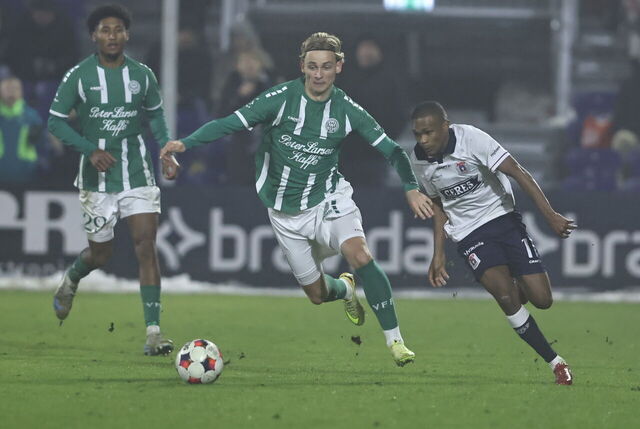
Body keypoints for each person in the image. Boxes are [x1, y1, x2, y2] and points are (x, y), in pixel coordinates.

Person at [161, 32, 434, 366]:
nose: (319, 74)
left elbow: (393, 151)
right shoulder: (279, 99)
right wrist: (185, 143)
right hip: (284, 212)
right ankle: (345, 289)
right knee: (317, 295)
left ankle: (396, 342)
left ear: (339, 67)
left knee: (360, 254)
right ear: (302, 66)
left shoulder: (347, 109)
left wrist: (410, 187)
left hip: (329, 198)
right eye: (312, 66)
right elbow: (230, 123)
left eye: (326, 67)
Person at [409, 101, 576, 385]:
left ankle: (517, 282)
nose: (423, 140)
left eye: (428, 132)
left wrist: (550, 215)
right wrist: (438, 253)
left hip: (503, 218)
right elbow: (438, 205)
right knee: (505, 297)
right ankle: (556, 362)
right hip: (469, 234)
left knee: (542, 300)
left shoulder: (472, 139)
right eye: (417, 134)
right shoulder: (419, 160)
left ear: (445, 127)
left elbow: (518, 172)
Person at [48, 4, 179, 356]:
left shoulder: (142, 75)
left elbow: (156, 117)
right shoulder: (79, 76)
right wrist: (89, 149)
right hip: (97, 178)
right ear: (94, 35)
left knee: (146, 245)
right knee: (100, 254)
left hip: (137, 172)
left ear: (127, 34)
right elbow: (55, 121)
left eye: (118, 29)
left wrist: (166, 151)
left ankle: (153, 333)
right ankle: (72, 278)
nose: (112, 35)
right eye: (105, 30)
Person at [0, 76, 47, 184]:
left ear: (21, 92)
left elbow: (41, 146)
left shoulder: (32, 117)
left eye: (15, 88)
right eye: (7, 88)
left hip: (26, 176)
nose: (11, 92)